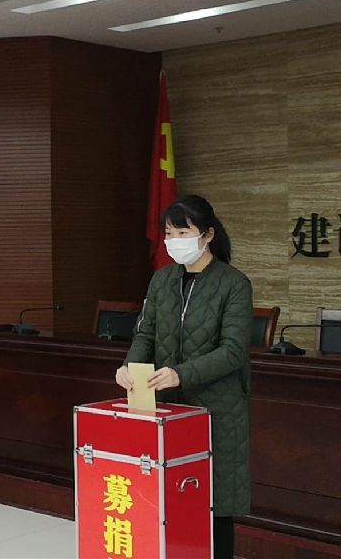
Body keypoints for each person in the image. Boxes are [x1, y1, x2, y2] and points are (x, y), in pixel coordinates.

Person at [115, 195, 252, 559]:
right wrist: (129, 366)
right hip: (167, 407)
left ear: (207, 235)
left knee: (214, 502)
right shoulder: (162, 280)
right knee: (169, 496)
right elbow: (145, 333)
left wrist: (181, 374)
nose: (173, 241)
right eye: (168, 233)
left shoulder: (234, 284)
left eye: (183, 232)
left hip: (217, 410)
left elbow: (234, 350)